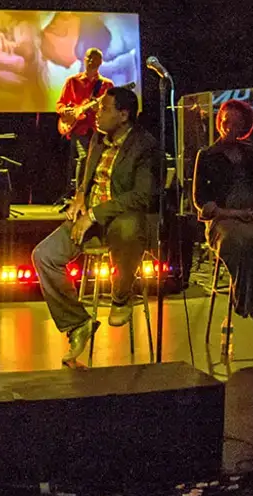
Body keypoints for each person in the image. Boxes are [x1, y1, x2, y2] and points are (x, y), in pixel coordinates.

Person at [30, 86, 160, 367]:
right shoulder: (98, 139)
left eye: (104, 109)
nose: (97, 114)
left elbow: (142, 195)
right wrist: (79, 198)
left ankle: (121, 295)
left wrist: (95, 213)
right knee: (44, 255)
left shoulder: (144, 145)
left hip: (122, 217)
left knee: (128, 229)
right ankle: (78, 323)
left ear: (124, 115)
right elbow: (87, 172)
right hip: (91, 216)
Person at [194, 99, 253, 337]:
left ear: (244, 126)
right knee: (242, 244)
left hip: (252, 215)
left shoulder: (252, 153)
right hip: (223, 219)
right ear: (219, 123)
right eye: (226, 122)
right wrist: (231, 213)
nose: (229, 128)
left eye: (236, 124)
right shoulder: (206, 155)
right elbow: (199, 199)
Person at [55, 47, 112, 205]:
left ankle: (95, 194)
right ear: (83, 59)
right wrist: (65, 110)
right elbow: (59, 104)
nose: (91, 61)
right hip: (79, 128)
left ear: (100, 62)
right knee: (84, 158)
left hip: (99, 128)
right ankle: (80, 195)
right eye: (88, 57)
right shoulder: (72, 82)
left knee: (99, 160)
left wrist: (99, 108)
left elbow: (113, 107)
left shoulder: (106, 85)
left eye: (94, 58)